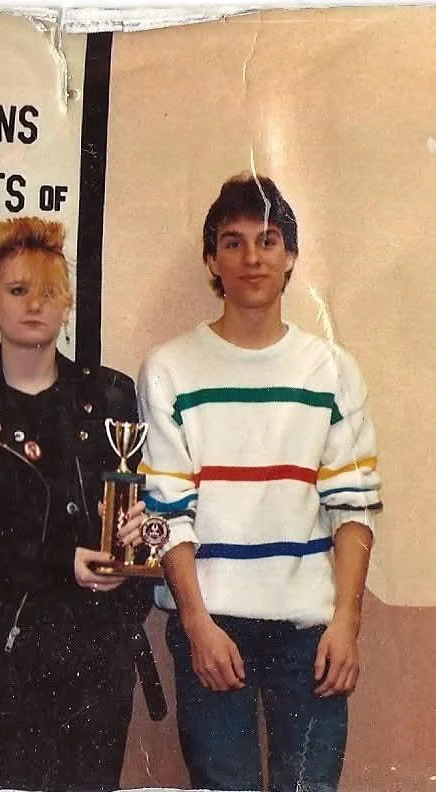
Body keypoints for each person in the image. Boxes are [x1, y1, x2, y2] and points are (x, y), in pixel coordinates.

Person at [138, 174, 382, 792]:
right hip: (213, 624)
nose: (252, 257)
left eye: (268, 241)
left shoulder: (331, 369)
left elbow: (352, 508)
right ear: (211, 261)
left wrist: (346, 622)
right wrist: (196, 623)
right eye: (234, 242)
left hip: (310, 632)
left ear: (291, 257)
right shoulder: (169, 369)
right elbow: (168, 509)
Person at [0, 217, 162, 792]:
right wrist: (61, 561)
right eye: (17, 290)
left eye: (49, 292)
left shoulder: (110, 394)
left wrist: (135, 532)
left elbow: (135, 504)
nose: (34, 305)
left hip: (95, 654)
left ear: (68, 305)